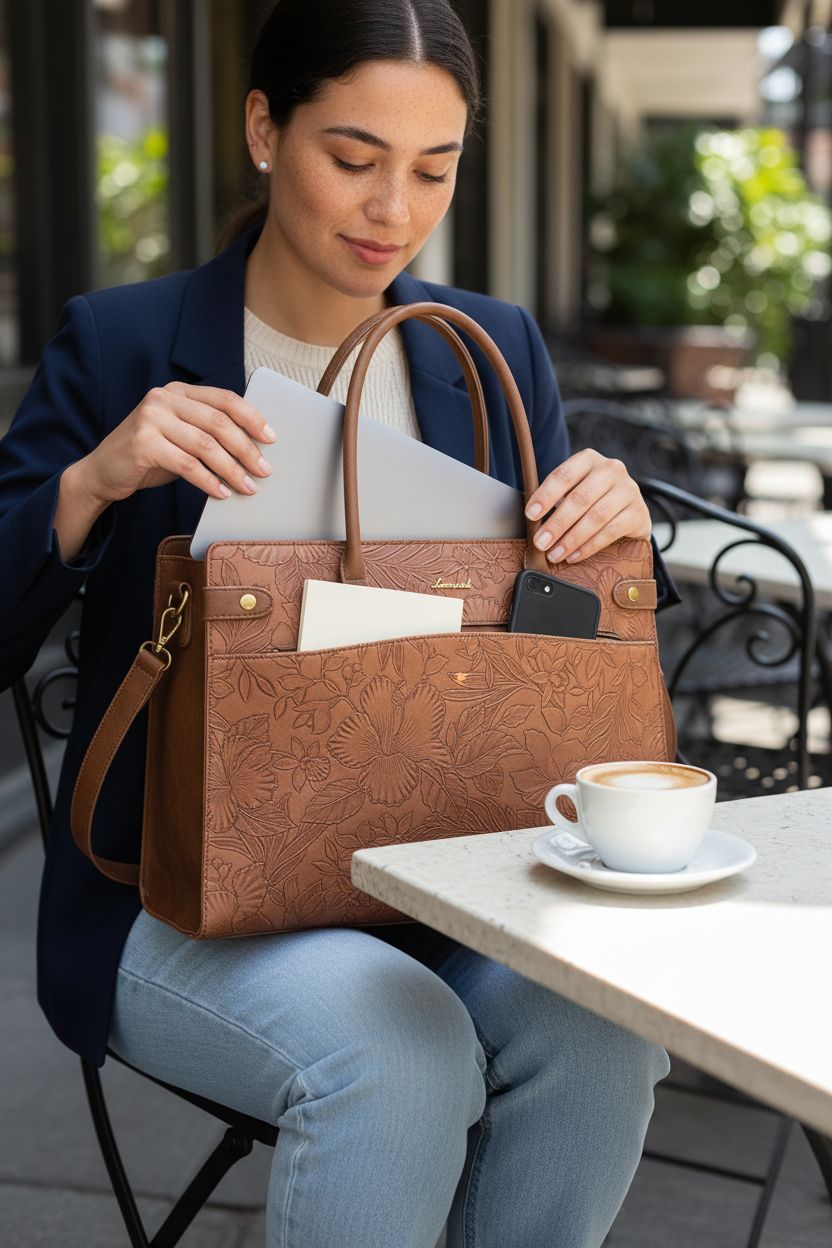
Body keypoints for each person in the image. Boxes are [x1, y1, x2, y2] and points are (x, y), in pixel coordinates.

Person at [0, 2, 672, 1245]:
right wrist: (90, 484)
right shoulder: (127, 341)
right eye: (353, 159)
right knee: (396, 1052)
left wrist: (606, 528)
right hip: (178, 893)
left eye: (434, 170)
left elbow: (560, 639)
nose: (392, 211)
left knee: (605, 1021)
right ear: (264, 129)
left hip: (449, 877)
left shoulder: (488, 350)